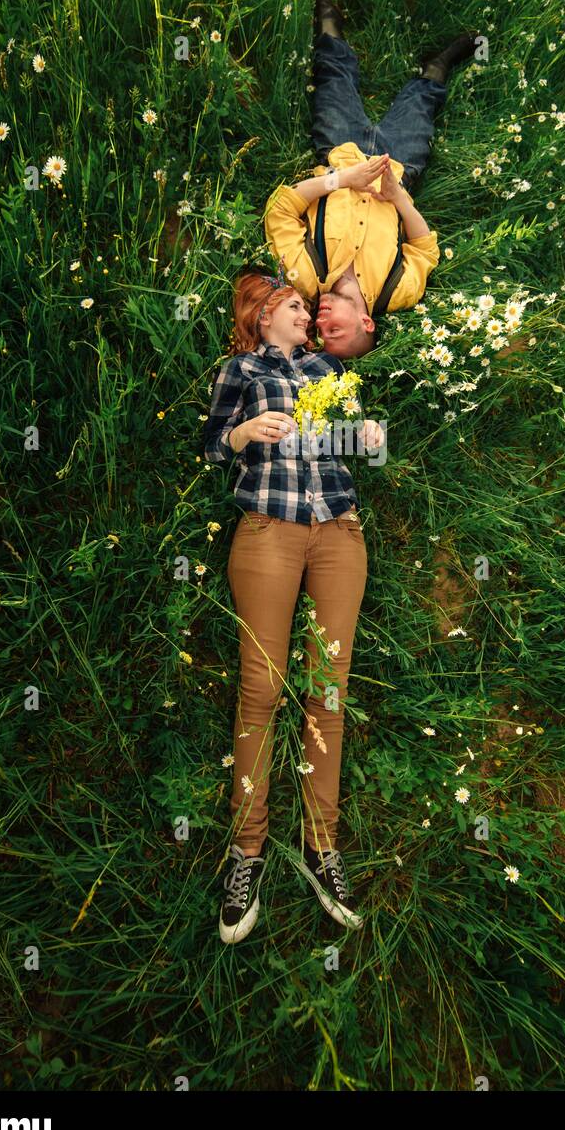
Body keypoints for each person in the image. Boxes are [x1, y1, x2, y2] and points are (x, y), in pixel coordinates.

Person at [202, 262, 385, 944]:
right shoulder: (240, 373)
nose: (308, 317)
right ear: (264, 314)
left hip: (338, 529)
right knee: (261, 688)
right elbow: (209, 448)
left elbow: (365, 441)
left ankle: (320, 845)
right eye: (296, 308)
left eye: (310, 310)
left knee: (327, 691)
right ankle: (246, 851)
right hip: (268, 531)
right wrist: (242, 437)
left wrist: (369, 437)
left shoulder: (330, 374)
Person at [262, 0, 478, 359]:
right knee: (422, 103)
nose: (319, 321)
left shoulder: (305, 277)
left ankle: (329, 21)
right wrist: (398, 198)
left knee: (333, 79)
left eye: (318, 331)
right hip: (399, 165)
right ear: (366, 323)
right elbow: (425, 249)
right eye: (335, 330)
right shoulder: (399, 293)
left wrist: (341, 179)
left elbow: (281, 209)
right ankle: (437, 65)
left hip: (340, 151)